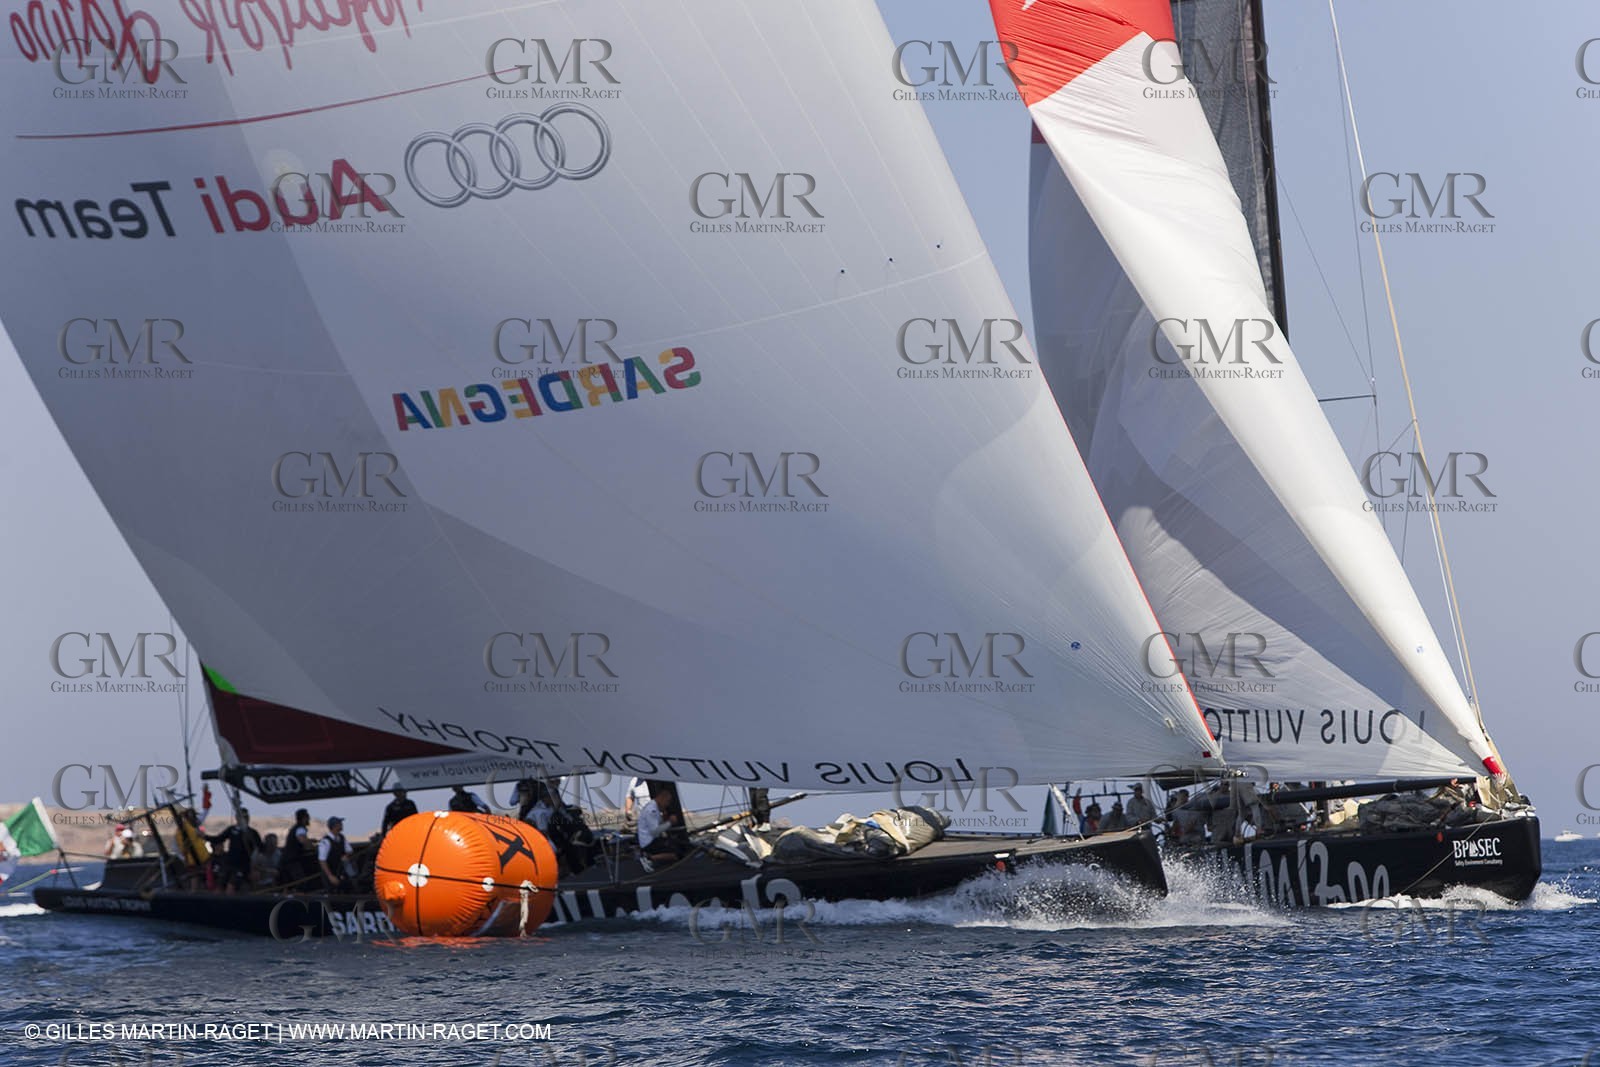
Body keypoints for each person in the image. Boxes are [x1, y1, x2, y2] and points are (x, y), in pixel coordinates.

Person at [207, 809, 263, 893]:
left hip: (242, 867)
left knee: (231, 887)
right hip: (229, 864)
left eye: (246, 817)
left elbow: (261, 848)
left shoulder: (252, 833)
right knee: (219, 887)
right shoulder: (231, 829)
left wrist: (255, 868)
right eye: (242, 817)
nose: (245, 819)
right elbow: (218, 839)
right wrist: (204, 836)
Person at [636, 783, 685, 866]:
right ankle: (649, 858)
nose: (667, 804)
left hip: (652, 840)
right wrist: (670, 822)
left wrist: (665, 819)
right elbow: (654, 831)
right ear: (662, 798)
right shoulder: (652, 810)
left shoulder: (655, 808)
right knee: (678, 854)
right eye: (667, 801)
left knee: (678, 845)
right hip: (649, 843)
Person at [277, 808, 315, 888]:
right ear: (304, 818)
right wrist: (313, 847)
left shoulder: (296, 828)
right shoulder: (300, 829)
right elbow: (303, 841)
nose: (309, 819)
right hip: (291, 860)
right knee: (301, 882)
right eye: (308, 817)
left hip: (288, 860)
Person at [317, 815, 352, 893]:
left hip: (340, 871)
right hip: (330, 873)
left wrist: (346, 855)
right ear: (335, 826)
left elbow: (349, 850)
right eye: (340, 823)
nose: (342, 825)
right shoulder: (326, 842)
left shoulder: (341, 838)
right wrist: (330, 876)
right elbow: (322, 861)